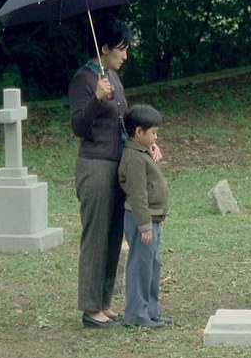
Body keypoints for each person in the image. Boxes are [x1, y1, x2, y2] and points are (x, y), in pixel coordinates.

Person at [68, 17, 162, 329]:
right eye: (121, 49)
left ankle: (104, 303)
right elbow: (79, 127)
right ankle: (90, 307)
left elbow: (126, 122)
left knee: (113, 235)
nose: (125, 55)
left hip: (119, 164)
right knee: (96, 235)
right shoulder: (83, 80)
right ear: (104, 48)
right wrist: (96, 98)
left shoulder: (114, 79)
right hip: (95, 166)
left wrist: (146, 142)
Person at [118, 104, 171, 329]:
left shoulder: (142, 152)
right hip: (142, 220)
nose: (156, 137)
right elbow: (137, 195)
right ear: (139, 132)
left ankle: (151, 310)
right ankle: (136, 314)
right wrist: (144, 225)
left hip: (153, 219)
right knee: (141, 266)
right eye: (153, 133)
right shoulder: (134, 158)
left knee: (152, 265)